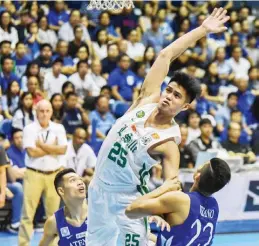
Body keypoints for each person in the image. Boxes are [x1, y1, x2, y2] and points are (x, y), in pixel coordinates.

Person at [87, 8, 230, 246]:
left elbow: (172, 183)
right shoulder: (146, 99)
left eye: (176, 97)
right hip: (98, 190)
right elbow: (165, 55)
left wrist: (156, 206)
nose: (168, 96)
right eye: (169, 90)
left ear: (184, 107)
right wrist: (202, 30)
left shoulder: (169, 143)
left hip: (128, 199)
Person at [126, 158, 231, 245]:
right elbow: (181, 239)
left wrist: (163, 188)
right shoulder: (214, 206)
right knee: (146, 236)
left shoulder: (181, 200)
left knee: (130, 229)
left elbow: (130, 209)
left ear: (197, 176)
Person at [18, 99, 68, 246]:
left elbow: (63, 150)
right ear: (36, 112)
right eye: (41, 111)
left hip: (54, 174)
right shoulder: (29, 129)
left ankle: (52, 244)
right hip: (34, 173)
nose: (44, 114)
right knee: (28, 214)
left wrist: (41, 145)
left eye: (47, 111)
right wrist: (52, 148)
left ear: (51, 112)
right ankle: (23, 244)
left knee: (53, 215)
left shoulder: (59, 128)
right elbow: (32, 152)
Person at [39, 168, 87, 246]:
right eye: (73, 180)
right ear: (61, 191)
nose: (80, 183)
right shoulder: (54, 222)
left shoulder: (97, 209)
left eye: (80, 179)